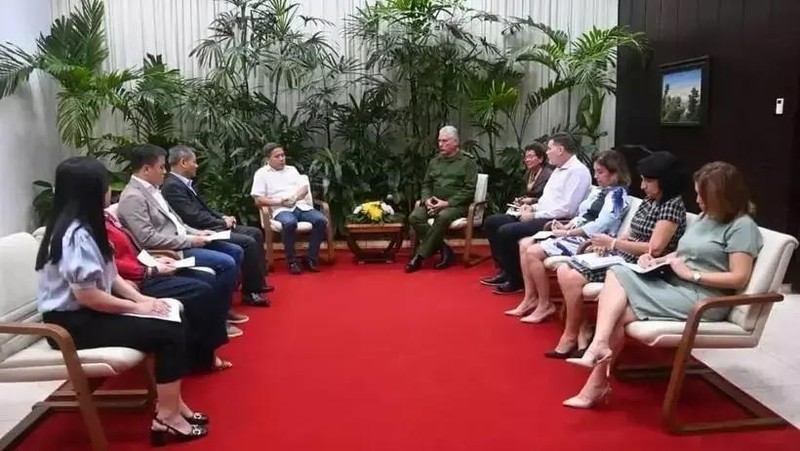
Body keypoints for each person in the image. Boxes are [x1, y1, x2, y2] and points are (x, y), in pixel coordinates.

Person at [35, 156, 208, 445]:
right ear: (90, 192)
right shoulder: (73, 236)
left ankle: (173, 406)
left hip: (87, 314)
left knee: (174, 313)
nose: (110, 193)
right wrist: (138, 307)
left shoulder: (88, 226)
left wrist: (143, 299)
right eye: (105, 187)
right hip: (70, 326)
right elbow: (88, 296)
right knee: (167, 332)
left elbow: (111, 277)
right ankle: (167, 418)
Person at [563, 161, 762, 409]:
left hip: (703, 298)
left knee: (617, 286)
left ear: (722, 197)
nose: (697, 200)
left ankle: (597, 358)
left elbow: (738, 278)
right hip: (676, 286)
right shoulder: (705, 217)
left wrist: (692, 275)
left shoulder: (742, 227)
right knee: (617, 280)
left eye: (703, 195)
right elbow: (684, 253)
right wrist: (658, 259)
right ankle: (597, 374)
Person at [550, 151, 688, 360]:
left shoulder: (672, 206)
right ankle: (580, 330)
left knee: (569, 274)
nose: (642, 186)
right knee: (564, 269)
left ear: (665, 181)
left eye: (648, 181)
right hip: (622, 256)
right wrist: (609, 246)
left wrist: (614, 243)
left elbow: (655, 249)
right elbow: (630, 233)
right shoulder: (650, 200)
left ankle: (574, 334)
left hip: (643, 266)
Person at [116, 144, 248, 336]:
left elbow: (176, 222)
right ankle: (218, 320)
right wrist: (190, 241)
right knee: (226, 262)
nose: (165, 172)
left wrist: (198, 232)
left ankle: (222, 310)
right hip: (170, 250)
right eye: (161, 167)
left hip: (183, 239)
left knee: (235, 250)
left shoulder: (154, 189)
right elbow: (148, 238)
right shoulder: (133, 197)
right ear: (146, 169)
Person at [505, 150, 632, 326]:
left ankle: (544, 304)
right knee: (524, 243)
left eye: (600, 172)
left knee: (533, 251)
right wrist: (568, 225)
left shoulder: (618, 196)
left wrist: (568, 233)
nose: (596, 177)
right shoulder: (601, 191)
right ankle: (530, 298)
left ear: (615, 172)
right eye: (595, 171)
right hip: (578, 233)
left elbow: (601, 225)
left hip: (594, 242)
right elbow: (584, 214)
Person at [105, 212, 231, 372]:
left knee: (205, 278)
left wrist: (154, 261)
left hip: (144, 267)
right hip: (134, 279)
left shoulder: (105, 217)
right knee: (201, 290)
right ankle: (201, 357)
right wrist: (150, 270)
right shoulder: (92, 226)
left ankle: (202, 352)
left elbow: (132, 251)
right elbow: (112, 265)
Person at [481, 133, 592, 293]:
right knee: (492, 222)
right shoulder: (558, 170)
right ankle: (507, 271)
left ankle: (516, 278)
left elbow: (567, 209)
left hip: (555, 221)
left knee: (506, 232)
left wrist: (534, 215)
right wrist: (532, 207)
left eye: (549, 149)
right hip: (542, 213)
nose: (547, 152)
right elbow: (548, 199)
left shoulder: (578, 172)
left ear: (560, 150)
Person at [162, 145, 272, 306]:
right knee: (247, 242)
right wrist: (221, 223)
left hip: (211, 224)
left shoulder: (185, 183)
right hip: (200, 229)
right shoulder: (172, 186)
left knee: (254, 232)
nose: (197, 165)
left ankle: (255, 284)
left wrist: (223, 216)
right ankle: (251, 292)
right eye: (195, 162)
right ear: (183, 162)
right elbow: (192, 216)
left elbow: (205, 208)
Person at [405, 125, 478, 273]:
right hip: (434, 202)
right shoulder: (435, 161)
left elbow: (469, 190)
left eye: (445, 141)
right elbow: (426, 185)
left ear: (456, 142)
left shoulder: (467, 162)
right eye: (439, 141)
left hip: (456, 206)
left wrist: (447, 203)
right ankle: (444, 249)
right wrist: (427, 200)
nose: (440, 145)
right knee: (414, 217)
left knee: (442, 216)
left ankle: (419, 257)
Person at [251, 143, 328, 274]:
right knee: (290, 223)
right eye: (277, 156)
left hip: (300, 205)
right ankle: (292, 261)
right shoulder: (261, 174)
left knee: (321, 220)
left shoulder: (292, 170)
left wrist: (295, 197)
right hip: (280, 209)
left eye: (283, 155)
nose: (282, 158)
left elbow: (304, 188)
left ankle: (310, 259)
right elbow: (258, 199)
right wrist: (279, 201)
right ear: (268, 159)